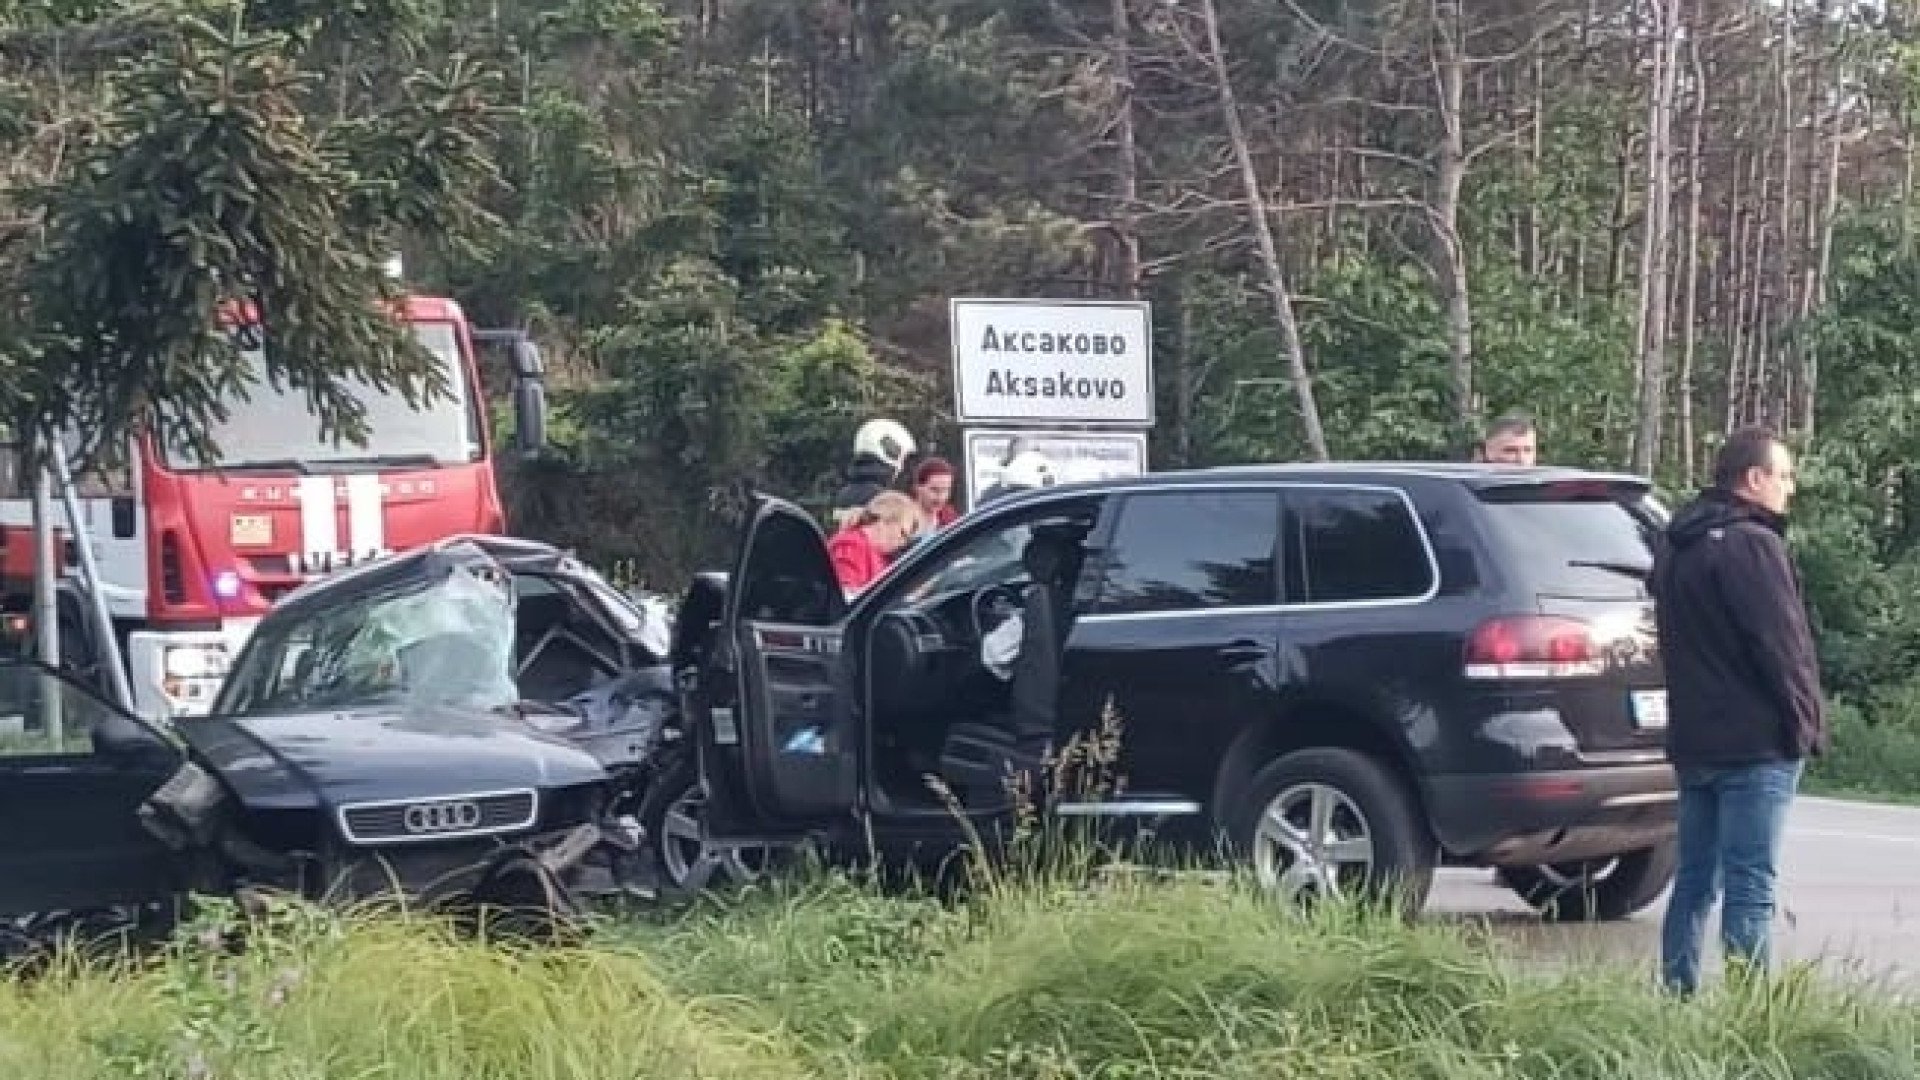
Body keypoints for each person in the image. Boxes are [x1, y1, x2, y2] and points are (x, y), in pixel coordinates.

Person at [1652, 425, 1827, 996]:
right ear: (1754, 480)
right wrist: (1806, 724)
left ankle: (1677, 996)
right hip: (1755, 744)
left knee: (1695, 879)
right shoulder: (1754, 544)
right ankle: (1751, 1014)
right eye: (1783, 476)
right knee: (1751, 884)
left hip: (1696, 740)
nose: (1789, 488)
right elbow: (1782, 645)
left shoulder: (1679, 544)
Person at [827, 491, 920, 596]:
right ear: (884, 521)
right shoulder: (850, 545)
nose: (903, 543)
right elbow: (846, 595)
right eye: (903, 533)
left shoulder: (881, 556)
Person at [829, 419, 916, 530]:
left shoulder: (843, 494)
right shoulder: (883, 498)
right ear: (891, 453)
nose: (902, 467)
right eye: (902, 458)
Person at [909, 456, 959, 531]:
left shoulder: (950, 518)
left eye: (945, 490)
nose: (940, 497)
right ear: (918, 488)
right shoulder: (904, 518)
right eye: (934, 490)